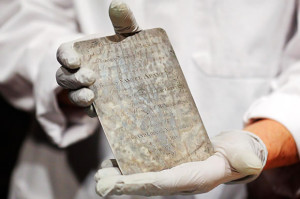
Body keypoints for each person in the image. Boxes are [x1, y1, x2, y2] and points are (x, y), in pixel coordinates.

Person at [1, 0, 300, 198]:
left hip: (240, 180)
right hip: (76, 178)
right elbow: (19, 20)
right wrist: (71, 73)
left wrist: (257, 145)